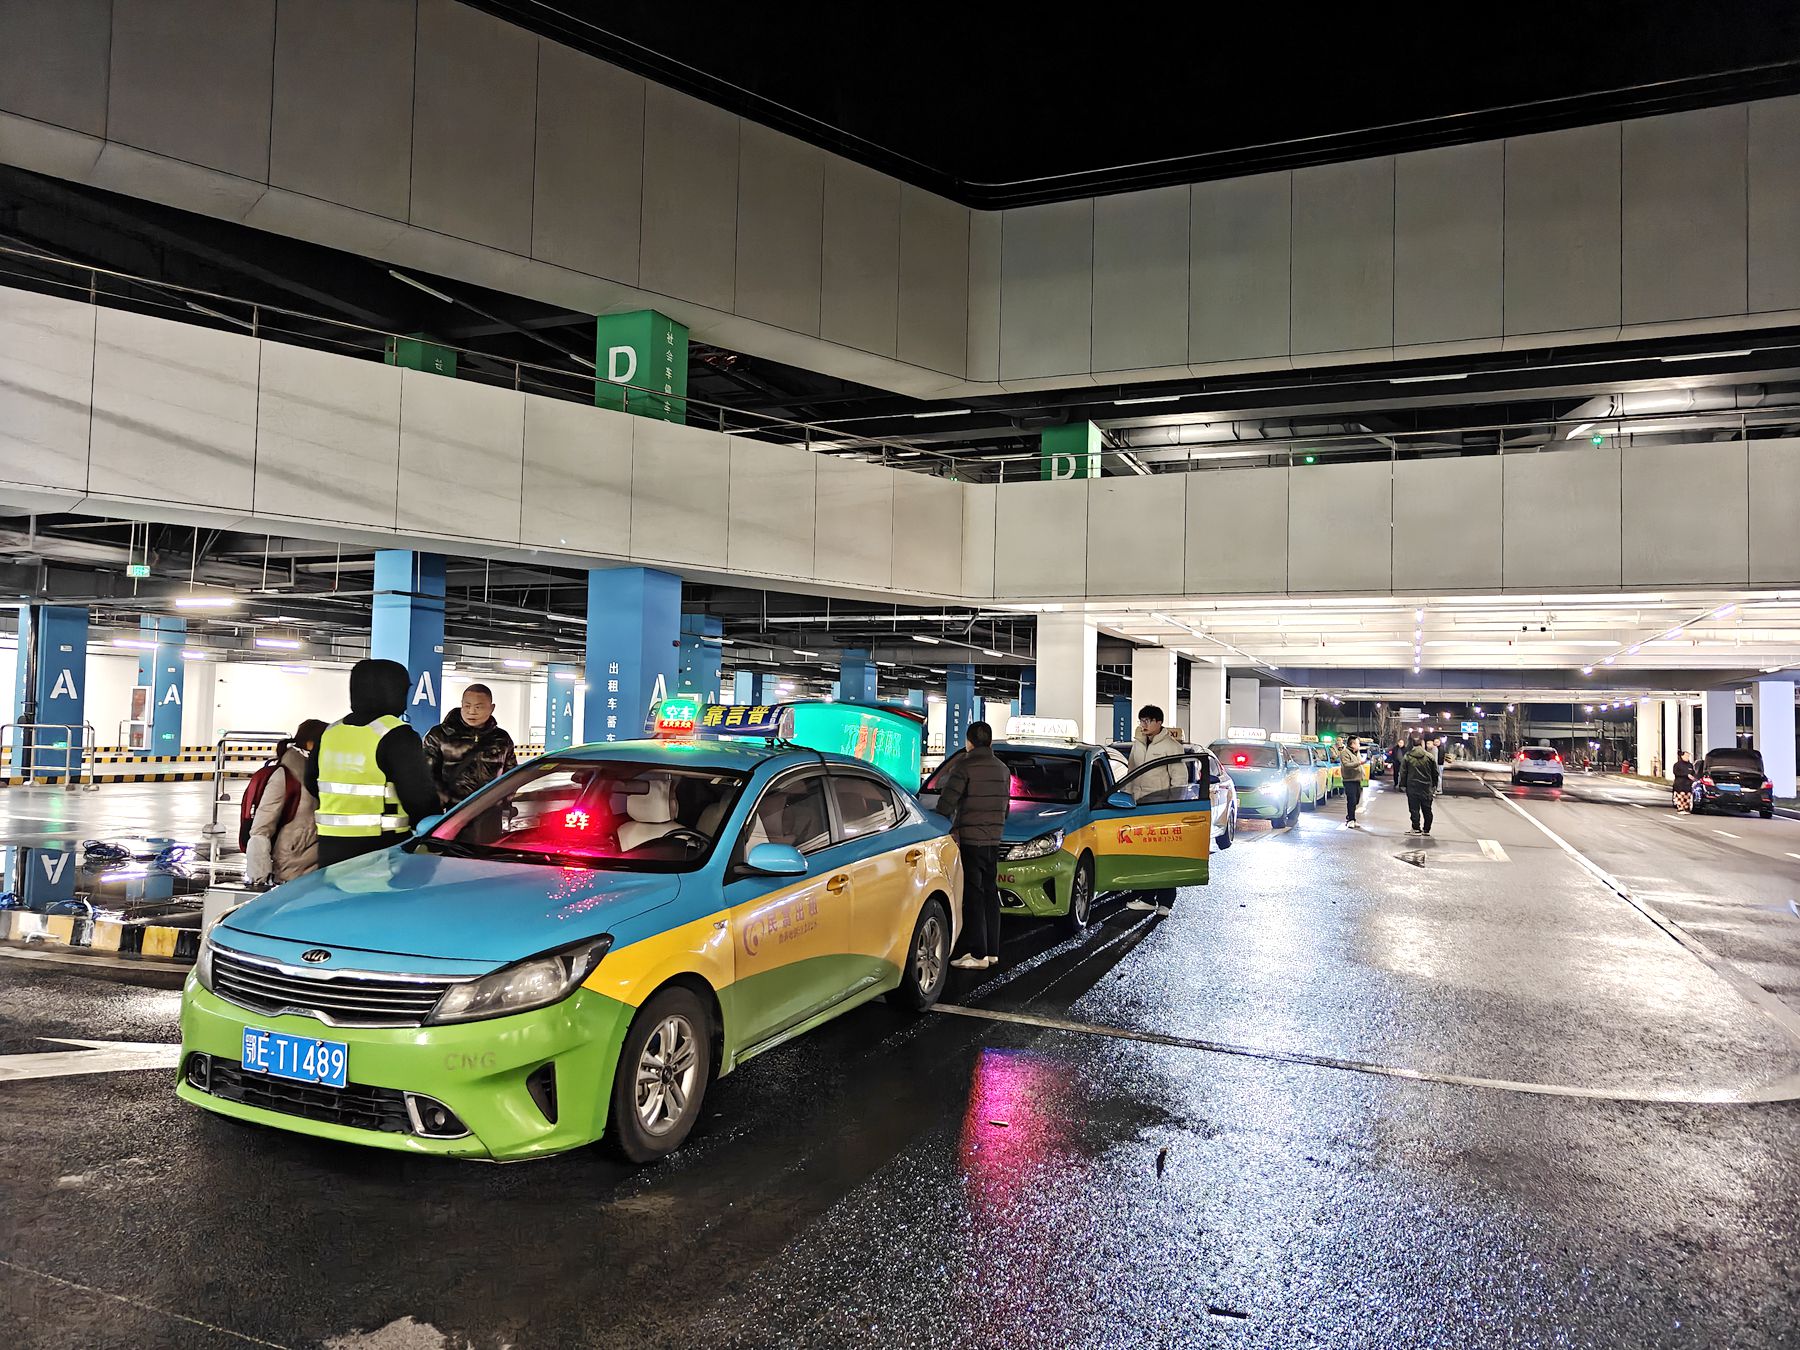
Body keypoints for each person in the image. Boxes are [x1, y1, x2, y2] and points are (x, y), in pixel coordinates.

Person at [306, 658, 440, 867]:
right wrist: (434, 830)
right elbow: (418, 795)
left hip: (330, 846)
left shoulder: (331, 732)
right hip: (383, 845)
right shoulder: (396, 733)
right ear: (395, 691)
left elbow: (311, 781)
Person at [933, 720, 1010, 971]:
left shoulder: (964, 766)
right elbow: (1006, 808)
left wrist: (941, 820)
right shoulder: (1003, 770)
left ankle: (977, 954)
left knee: (973, 895)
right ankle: (992, 951)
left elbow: (946, 804)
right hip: (993, 840)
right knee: (990, 892)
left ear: (969, 742)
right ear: (989, 741)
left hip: (971, 840)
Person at [244, 718, 327, 886]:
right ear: (310, 744)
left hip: (313, 862)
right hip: (293, 866)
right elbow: (261, 829)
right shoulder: (284, 775)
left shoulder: (315, 772)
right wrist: (260, 877)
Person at [1124, 704, 1185, 915]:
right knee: (1144, 855)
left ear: (1159, 722)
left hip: (1161, 808)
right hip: (1139, 807)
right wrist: (1126, 800)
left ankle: (1165, 902)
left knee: (1164, 856)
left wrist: (1173, 808)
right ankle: (1147, 898)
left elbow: (1179, 780)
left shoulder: (1171, 746)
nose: (1144, 724)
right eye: (1142, 720)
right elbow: (1131, 773)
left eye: (1148, 721)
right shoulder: (1138, 744)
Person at [423, 683, 518, 809]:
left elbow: (512, 775)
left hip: (490, 810)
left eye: (478, 707)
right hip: (453, 811)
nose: (472, 712)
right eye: (467, 706)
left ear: (492, 708)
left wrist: (503, 800)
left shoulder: (501, 738)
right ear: (461, 705)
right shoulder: (439, 735)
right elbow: (427, 774)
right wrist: (445, 802)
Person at [1400, 737, 1438, 835]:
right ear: (1422, 744)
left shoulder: (1408, 756)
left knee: (1414, 809)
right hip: (1426, 787)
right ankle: (1426, 829)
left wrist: (1402, 785)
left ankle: (1416, 828)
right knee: (1427, 809)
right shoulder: (1430, 757)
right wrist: (1434, 785)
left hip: (1412, 786)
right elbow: (1435, 773)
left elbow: (1403, 772)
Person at [1340, 734, 1366, 829]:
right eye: (1358, 743)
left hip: (1357, 779)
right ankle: (1351, 819)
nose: (1359, 745)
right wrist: (1359, 763)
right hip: (1349, 779)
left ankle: (1351, 817)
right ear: (1352, 744)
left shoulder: (1357, 752)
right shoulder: (1345, 753)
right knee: (1352, 800)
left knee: (1357, 800)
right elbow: (1346, 765)